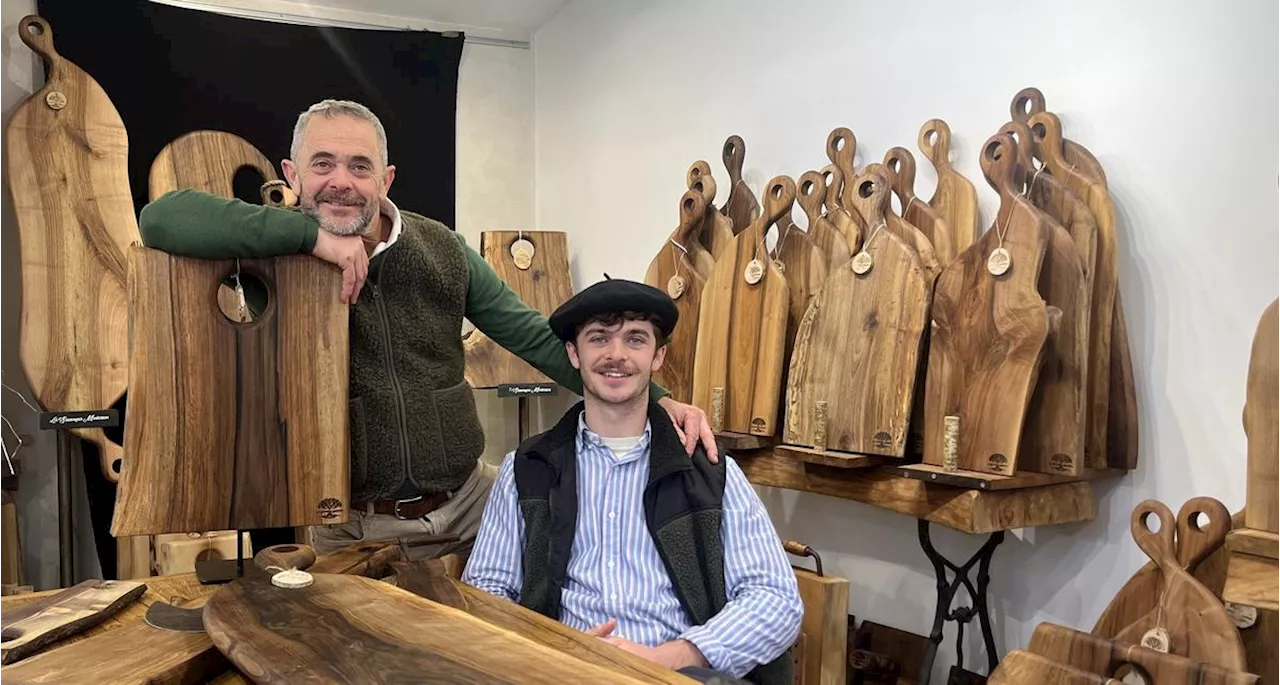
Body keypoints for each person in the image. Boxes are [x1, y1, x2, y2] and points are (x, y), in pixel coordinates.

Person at [136, 99, 717, 559]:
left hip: (471, 508)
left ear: (385, 178)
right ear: (292, 173)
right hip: (347, 526)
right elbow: (161, 218)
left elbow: (538, 339)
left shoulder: (442, 248)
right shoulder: (272, 251)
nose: (342, 181)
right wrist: (309, 238)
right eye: (323, 164)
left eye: (360, 166)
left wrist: (659, 403)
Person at [462, 277, 802, 684]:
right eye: (599, 338)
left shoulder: (709, 471)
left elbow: (776, 598)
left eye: (635, 339)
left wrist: (676, 655)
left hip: (682, 674)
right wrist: (551, 650)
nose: (616, 355)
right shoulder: (527, 470)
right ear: (573, 353)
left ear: (658, 357)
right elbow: (485, 593)